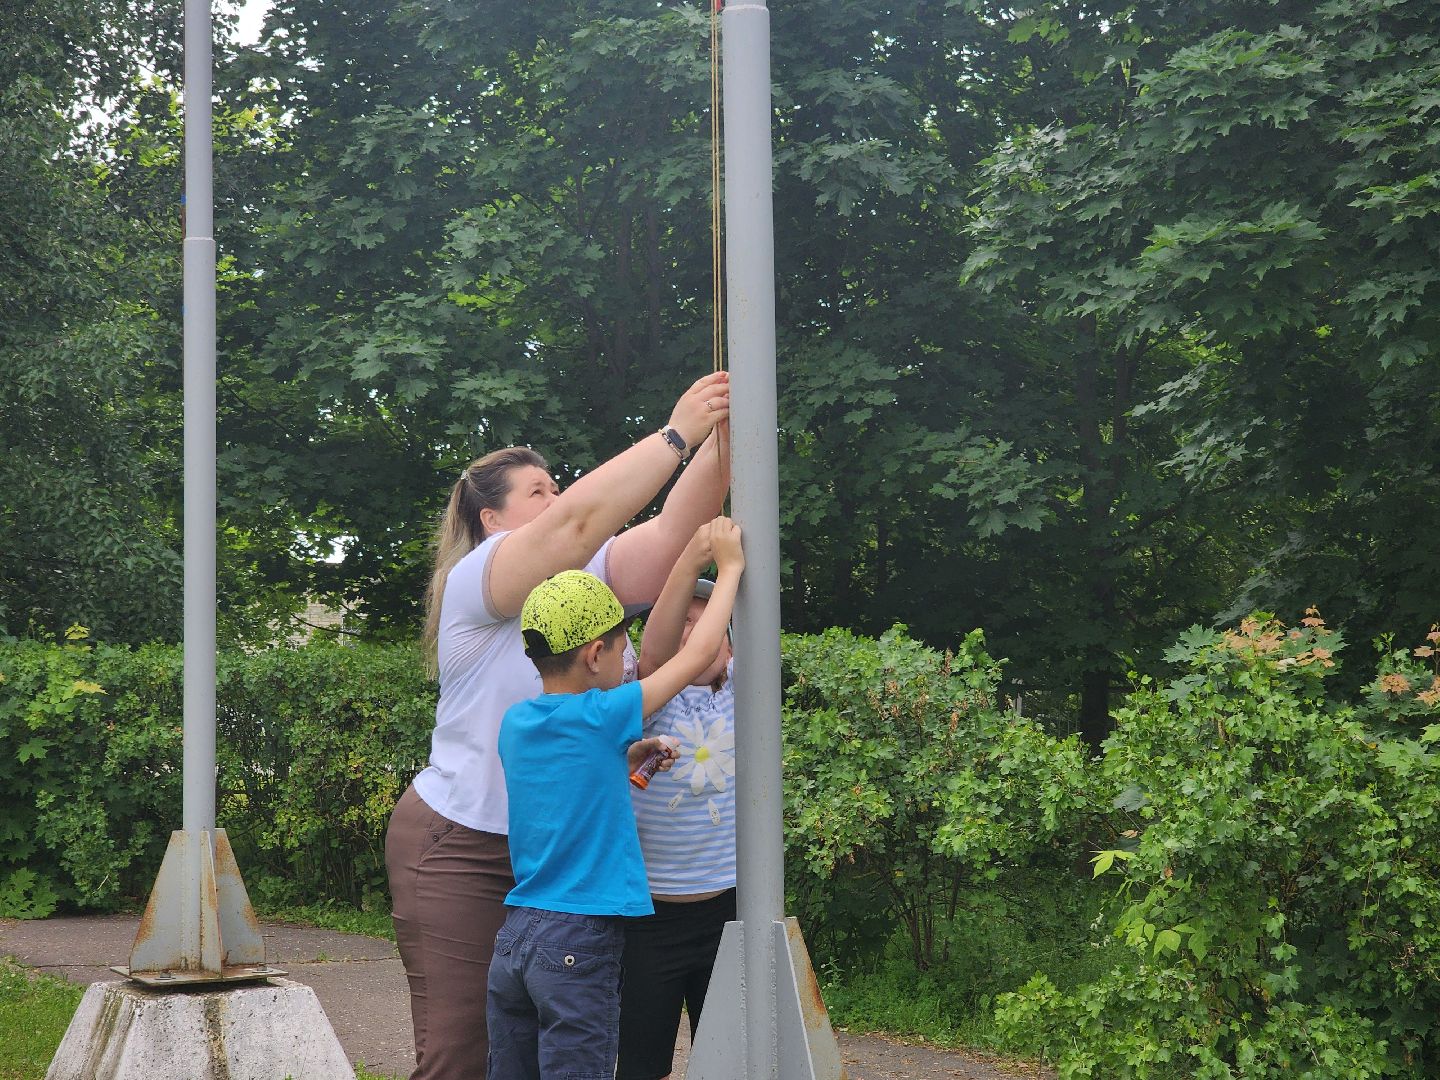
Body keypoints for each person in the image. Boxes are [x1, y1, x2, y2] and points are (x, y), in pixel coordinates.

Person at [385, 371, 731, 1080]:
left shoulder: (584, 584)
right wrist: (676, 433)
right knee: (460, 1054)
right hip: (462, 848)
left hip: (552, 863)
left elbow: (674, 536)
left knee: (548, 1058)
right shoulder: (479, 582)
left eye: (557, 484)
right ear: (492, 519)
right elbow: (576, 521)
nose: (559, 497)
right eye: (538, 491)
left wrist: (730, 430)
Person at [486, 517, 744, 1080]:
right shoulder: (604, 715)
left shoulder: (518, 723)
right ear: (594, 654)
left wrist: (625, 757)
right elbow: (696, 651)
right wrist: (728, 567)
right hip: (580, 940)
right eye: (624, 642)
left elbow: (565, 777)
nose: (630, 654)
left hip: (518, 937)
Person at [617, 529, 737, 1080]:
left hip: (728, 912)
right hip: (650, 917)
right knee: (643, 1062)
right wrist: (696, 560)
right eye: (684, 620)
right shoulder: (649, 702)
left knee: (731, 1060)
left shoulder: (744, 692)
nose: (696, 632)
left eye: (707, 621)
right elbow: (661, 652)